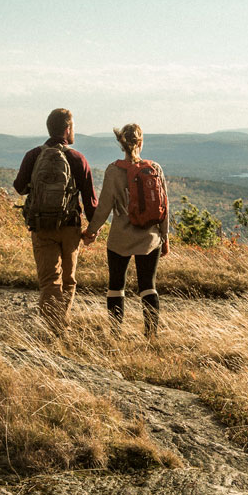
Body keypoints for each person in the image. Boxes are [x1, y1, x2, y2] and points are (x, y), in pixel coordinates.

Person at [14, 108, 98, 337]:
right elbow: (90, 200)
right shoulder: (77, 158)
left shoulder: (33, 155)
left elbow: (19, 187)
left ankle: (52, 329)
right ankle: (62, 327)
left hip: (41, 226)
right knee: (68, 281)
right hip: (70, 226)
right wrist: (93, 229)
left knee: (50, 280)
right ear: (68, 129)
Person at [83, 123, 169, 338]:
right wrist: (164, 237)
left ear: (121, 144)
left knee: (116, 285)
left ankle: (115, 333)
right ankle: (151, 336)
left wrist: (91, 231)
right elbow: (164, 207)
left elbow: (104, 207)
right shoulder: (155, 168)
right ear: (141, 142)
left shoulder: (113, 170)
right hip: (150, 238)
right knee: (148, 286)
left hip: (120, 238)